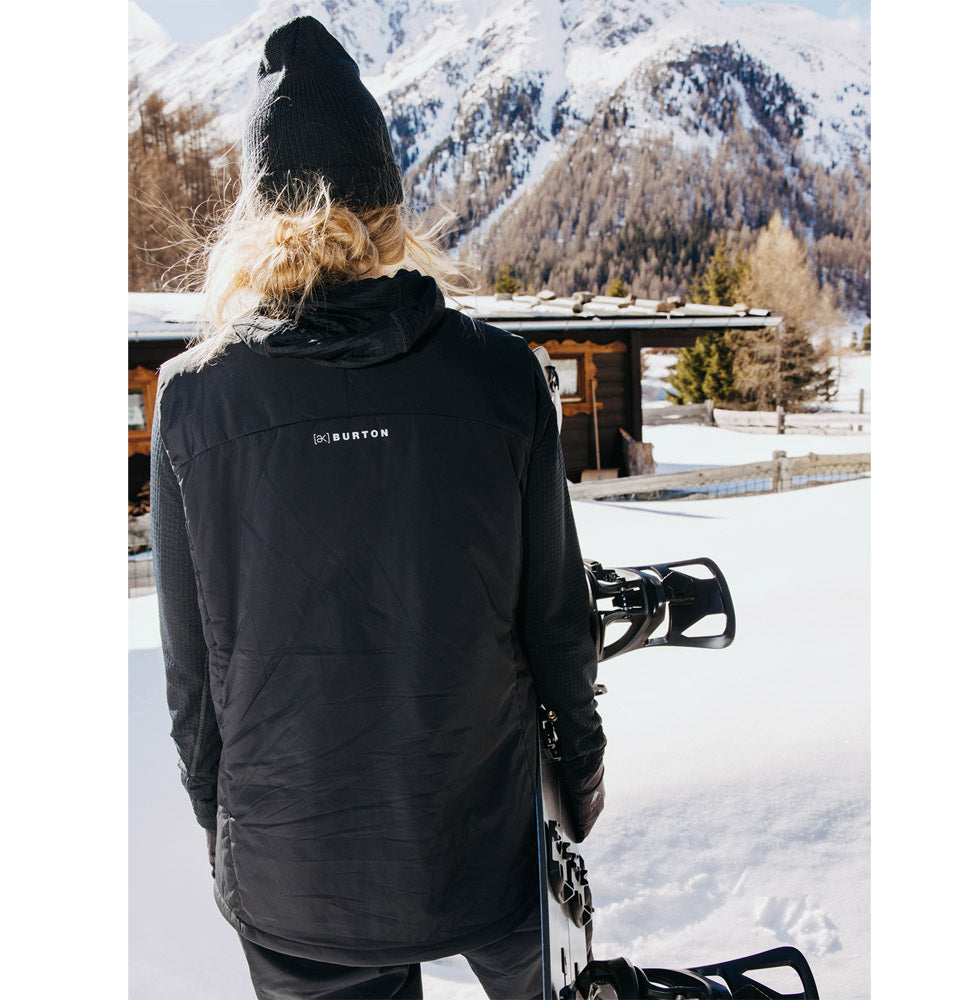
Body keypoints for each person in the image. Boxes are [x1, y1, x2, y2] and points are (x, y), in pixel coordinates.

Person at [151, 15, 605, 1000]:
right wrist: (581, 775)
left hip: (292, 867)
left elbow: (193, 681)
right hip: (485, 846)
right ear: (389, 205)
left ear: (259, 213)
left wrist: (229, 826)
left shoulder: (192, 399)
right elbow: (557, 624)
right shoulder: (501, 377)